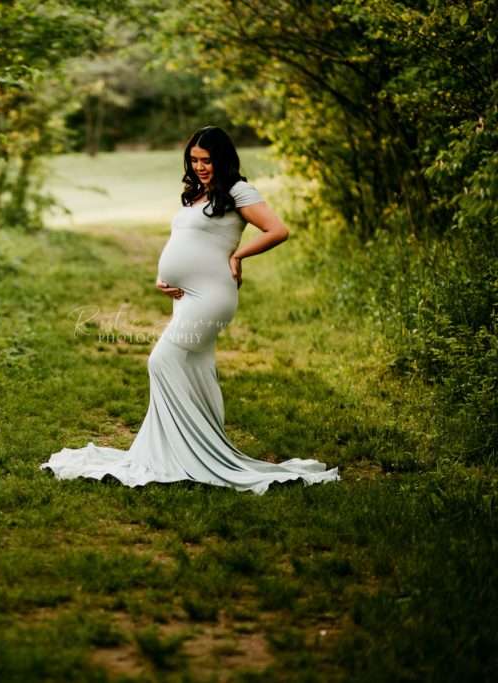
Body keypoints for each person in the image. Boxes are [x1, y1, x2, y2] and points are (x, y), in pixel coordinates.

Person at [39, 126, 341, 496]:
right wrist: (163, 278)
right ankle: (181, 451)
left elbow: (277, 230)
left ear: (223, 160)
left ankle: (194, 454)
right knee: (195, 370)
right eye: (194, 160)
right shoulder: (199, 195)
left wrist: (238, 255)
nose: (199, 167)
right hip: (185, 296)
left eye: (207, 160)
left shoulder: (237, 191)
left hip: (211, 296)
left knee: (162, 360)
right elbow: (184, 240)